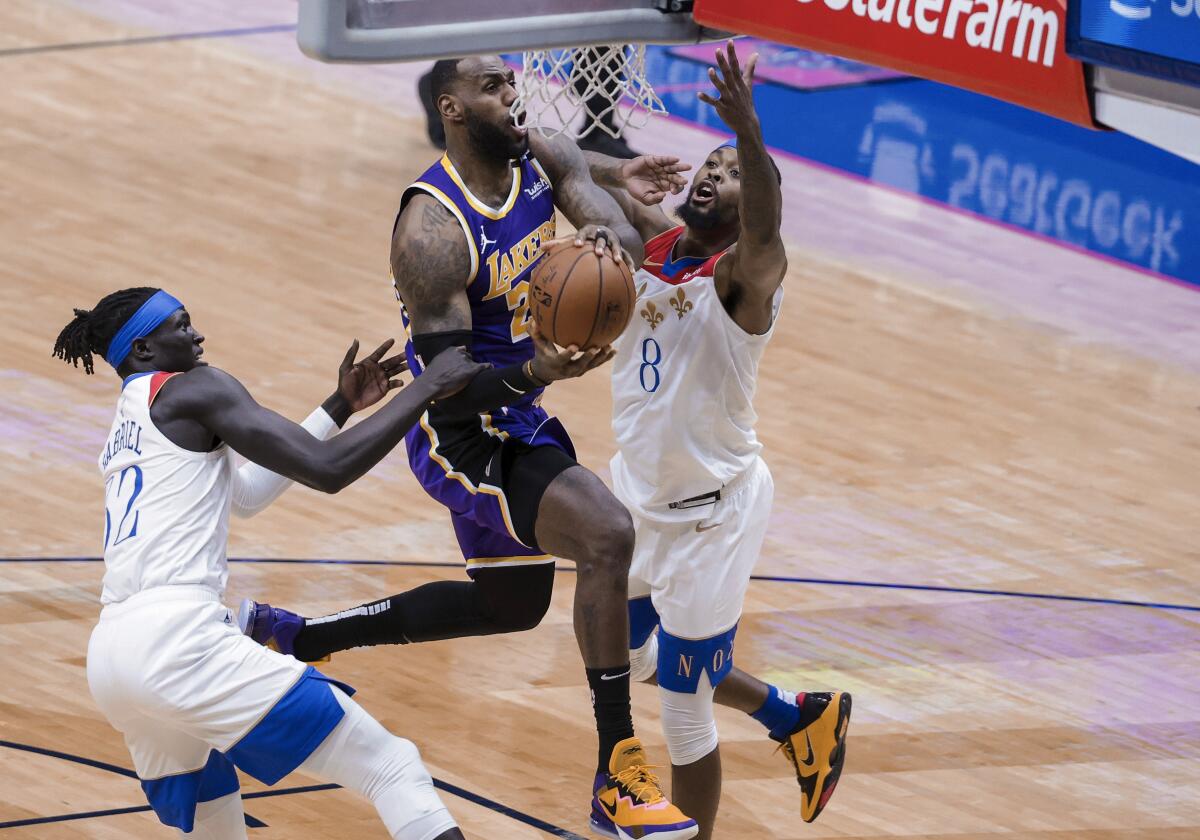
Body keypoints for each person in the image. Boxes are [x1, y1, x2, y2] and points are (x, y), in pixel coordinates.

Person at [242, 56, 699, 840]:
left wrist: (606, 231)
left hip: (518, 409)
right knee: (607, 532)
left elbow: (616, 228)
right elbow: (446, 383)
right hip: (457, 431)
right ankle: (617, 773)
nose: (512, 95)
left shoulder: (541, 154)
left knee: (512, 605)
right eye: (494, 88)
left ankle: (298, 637)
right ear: (452, 109)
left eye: (512, 84)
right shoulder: (431, 231)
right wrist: (534, 368)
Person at [53, 286, 483, 839]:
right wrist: (428, 386)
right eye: (181, 326)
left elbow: (248, 493)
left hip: (112, 658)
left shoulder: (127, 427)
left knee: (216, 822)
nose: (197, 335)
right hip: (178, 642)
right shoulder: (196, 388)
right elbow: (328, 470)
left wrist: (338, 408)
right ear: (142, 349)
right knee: (390, 765)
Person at [580, 42, 852, 838]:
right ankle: (794, 715)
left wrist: (750, 134)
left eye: (730, 173)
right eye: (710, 162)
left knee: (682, 711)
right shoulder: (653, 242)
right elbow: (573, 169)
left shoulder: (747, 278)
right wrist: (619, 174)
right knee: (626, 661)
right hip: (634, 496)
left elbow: (768, 222)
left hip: (711, 513)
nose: (711, 173)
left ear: (750, 203)